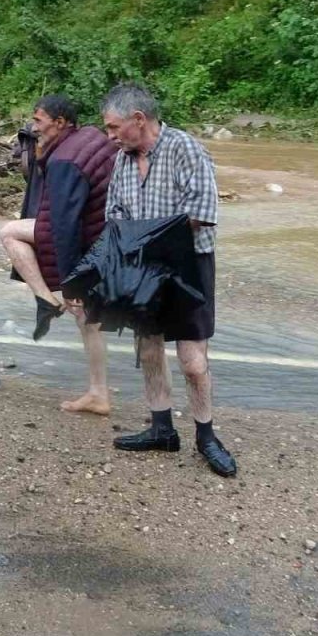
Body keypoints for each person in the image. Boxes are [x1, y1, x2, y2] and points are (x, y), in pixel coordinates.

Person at [100, 82, 237, 478]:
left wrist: (140, 236)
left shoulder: (186, 149)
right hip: (142, 266)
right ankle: (162, 428)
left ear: (138, 120)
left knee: (193, 361)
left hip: (187, 265)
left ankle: (206, 436)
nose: (109, 136)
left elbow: (202, 212)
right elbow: (114, 214)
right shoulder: (122, 161)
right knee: (148, 349)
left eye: (113, 127)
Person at [0, 95, 117, 415]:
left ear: (61, 123)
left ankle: (46, 299)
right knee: (89, 321)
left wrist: (70, 284)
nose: (32, 126)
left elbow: (64, 226)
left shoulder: (64, 160)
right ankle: (98, 392)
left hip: (88, 241)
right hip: (108, 235)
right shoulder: (90, 136)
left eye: (38, 121)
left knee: (9, 233)